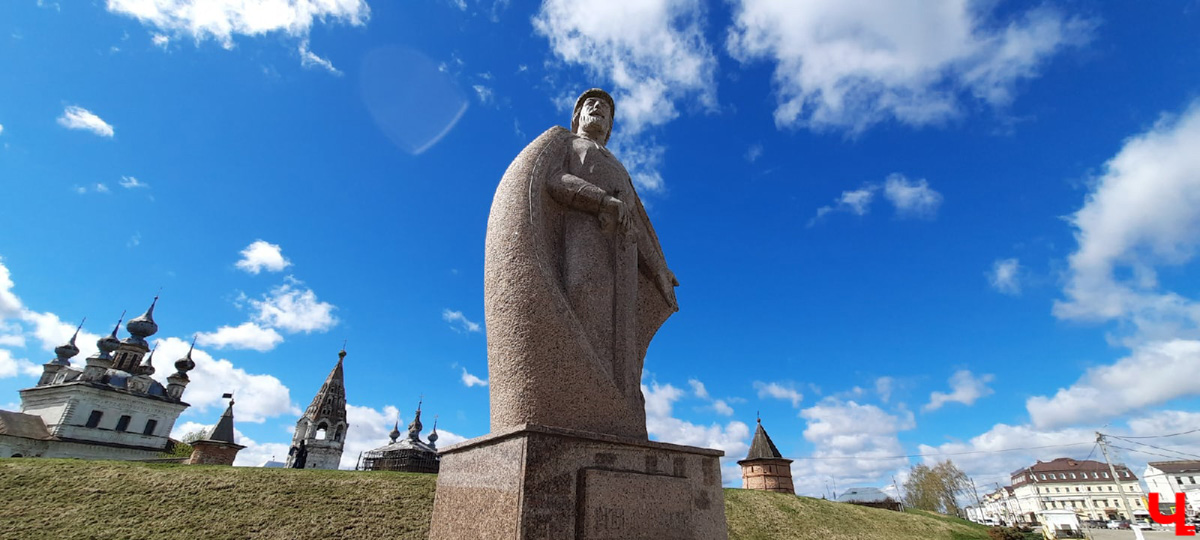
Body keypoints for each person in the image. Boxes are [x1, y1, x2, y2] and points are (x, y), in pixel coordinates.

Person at [483, 88, 679, 439]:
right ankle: (582, 401)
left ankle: (619, 413)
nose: (597, 109)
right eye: (589, 105)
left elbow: (639, 226)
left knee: (622, 342)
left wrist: (659, 272)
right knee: (585, 307)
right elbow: (553, 180)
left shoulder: (618, 167)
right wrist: (600, 200)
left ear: (611, 124)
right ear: (577, 116)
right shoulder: (571, 146)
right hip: (585, 243)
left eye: (605, 108)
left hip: (622, 259)